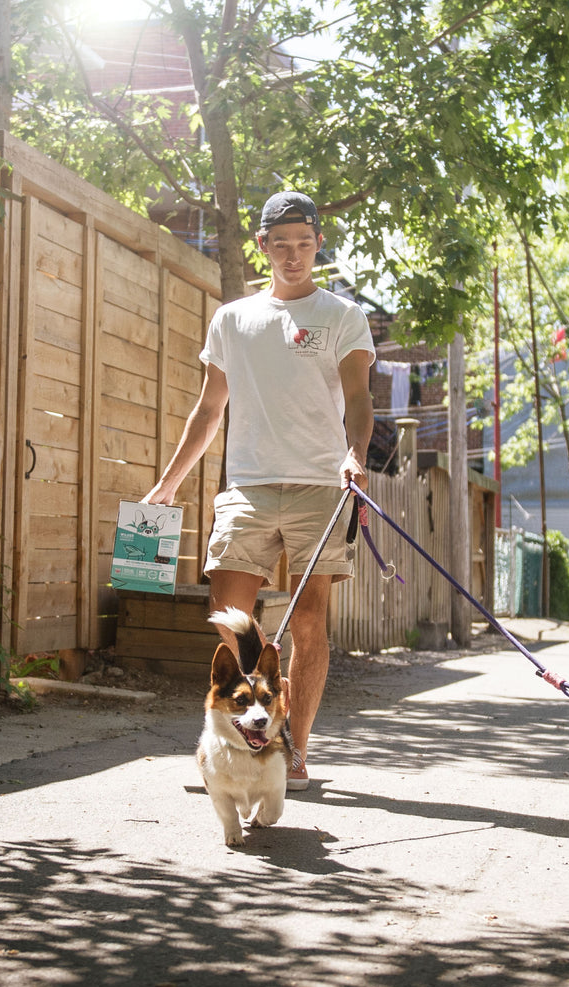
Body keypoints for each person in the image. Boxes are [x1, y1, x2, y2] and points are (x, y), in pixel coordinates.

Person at [144, 191, 374, 792]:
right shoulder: (233, 320)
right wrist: (168, 484)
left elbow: (358, 398)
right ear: (264, 248)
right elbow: (208, 408)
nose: (293, 255)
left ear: (318, 243)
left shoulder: (342, 316)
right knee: (229, 613)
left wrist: (355, 454)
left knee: (310, 626)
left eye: (304, 243)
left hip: (319, 486)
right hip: (246, 483)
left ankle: (292, 752)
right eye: (281, 244)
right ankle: (265, 689)